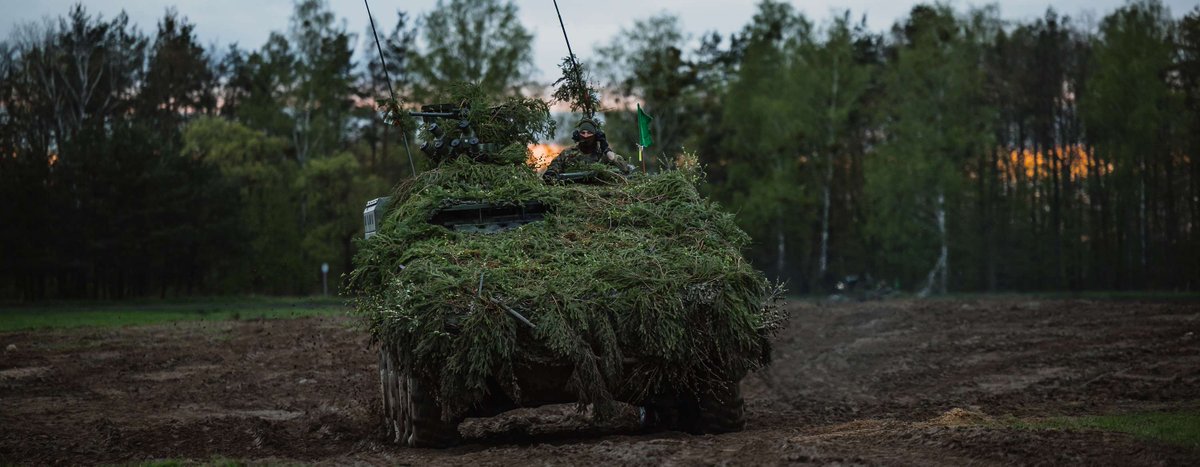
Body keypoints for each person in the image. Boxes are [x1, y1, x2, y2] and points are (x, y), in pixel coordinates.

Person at [543, 118, 634, 179]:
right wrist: (551, 175)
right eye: (583, 133)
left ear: (596, 136)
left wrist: (606, 150)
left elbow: (625, 169)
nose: (586, 136)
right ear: (578, 135)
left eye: (589, 133)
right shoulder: (567, 153)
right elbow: (552, 171)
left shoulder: (603, 154)